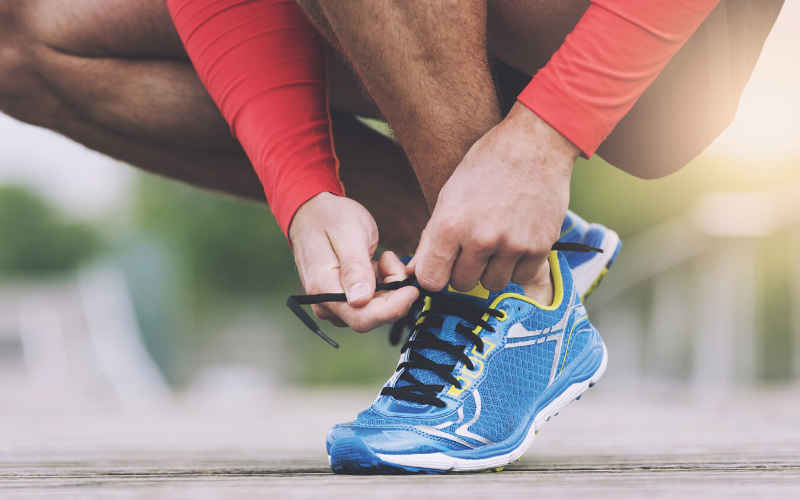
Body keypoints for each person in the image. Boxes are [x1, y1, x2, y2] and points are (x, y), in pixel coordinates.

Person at [0, 0, 783, 474]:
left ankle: (511, 294)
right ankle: (518, 248)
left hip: (667, 42)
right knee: (26, 37)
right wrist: (305, 188)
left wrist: (547, 136)